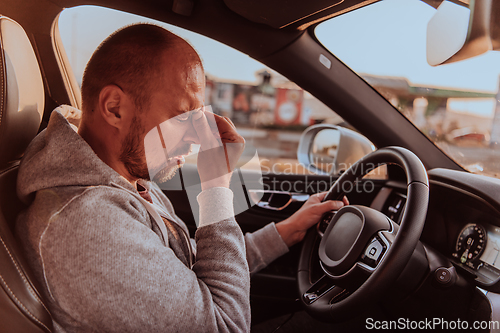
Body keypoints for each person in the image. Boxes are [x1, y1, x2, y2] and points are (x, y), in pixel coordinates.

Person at [16, 24, 346, 332]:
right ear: (114, 108)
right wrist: (216, 187)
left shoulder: (125, 180)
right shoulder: (88, 226)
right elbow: (227, 325)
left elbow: (192, 270)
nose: (197, 137)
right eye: (182, 117)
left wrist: (288, 230)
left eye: (198, 116)